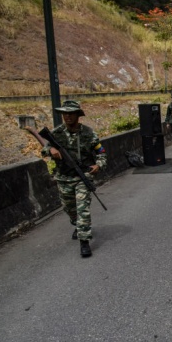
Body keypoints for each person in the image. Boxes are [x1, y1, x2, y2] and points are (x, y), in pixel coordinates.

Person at [40, 100, 107, 258]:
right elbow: (44, 150)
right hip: (63, 178)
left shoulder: (89, 134)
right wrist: (51, 150)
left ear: (78, 115)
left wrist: (99, 165)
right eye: (65, 113)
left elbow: (101, 153)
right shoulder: (56, 133)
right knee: (69, 209)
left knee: (83, 209)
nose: (67, 116)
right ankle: (77, 225)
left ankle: (84, 242)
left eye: (71, 113)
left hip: (82, 177)